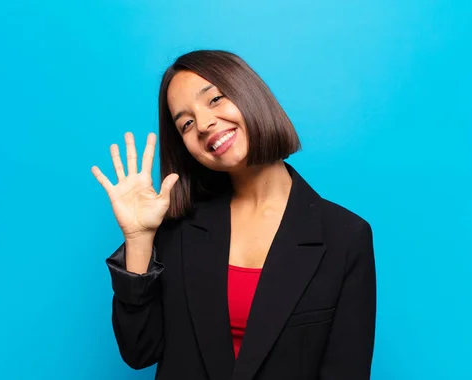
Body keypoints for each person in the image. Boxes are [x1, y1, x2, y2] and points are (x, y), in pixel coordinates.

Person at [91, 50, 376, 380]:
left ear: (249, 94)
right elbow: (139, 352)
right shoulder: (179, 229)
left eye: (214, 100)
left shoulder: (345, 236)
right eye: (186, 123)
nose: (204, 124)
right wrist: (139, 240)